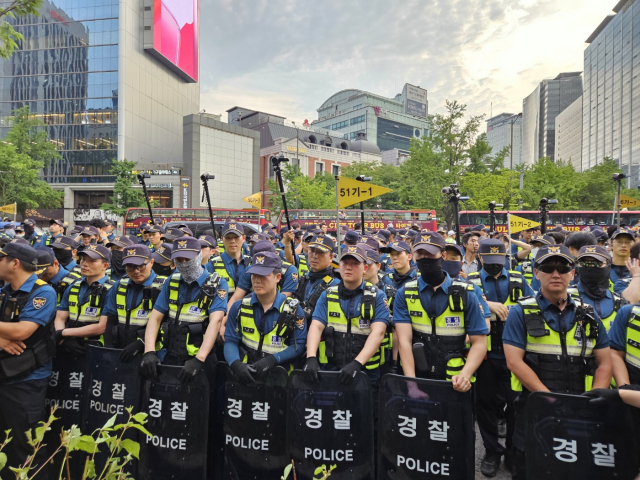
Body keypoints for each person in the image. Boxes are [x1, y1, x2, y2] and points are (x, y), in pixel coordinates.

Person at [503, 245, 612, 480]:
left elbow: (604, 362)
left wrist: (593, 400)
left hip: (580, 410)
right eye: (548, 267)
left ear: (573, 273)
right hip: (535, 409)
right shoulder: (520, 312)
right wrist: (548, 399)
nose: (556, 273)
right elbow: (514, 362)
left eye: (563, 267)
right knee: (529, 467)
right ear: (536, 272)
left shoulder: (589, 313)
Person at [467, 239, 534, 476]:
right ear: (481, 258)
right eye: (490, 262)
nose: (495, 267)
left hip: (515, 353)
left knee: (516, 405)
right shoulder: (471, 282)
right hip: (485, 353)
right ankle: (492, 451)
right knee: (485, 404)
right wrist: (486, 304)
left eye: (500, 262)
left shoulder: (517, 278)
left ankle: (514, 451)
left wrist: (508, 310)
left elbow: (532, 306)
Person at [393, 232, 488, 391]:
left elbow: (479, 342)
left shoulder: (466, 293)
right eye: (420, 253)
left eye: (430, 253)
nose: (424, 258)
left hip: (455, 381)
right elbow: (404, 342)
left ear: (443, 255)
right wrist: (412, 384)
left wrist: (465, 374)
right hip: (419, 378)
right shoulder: (405, 293)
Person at [141, 236, 229, 385]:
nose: (183, 264)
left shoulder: (217, 283)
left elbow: (216, 321)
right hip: (172, 356)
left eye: (187, 259)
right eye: (178, 260)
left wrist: (199, 359)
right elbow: (155, 317)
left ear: (199, 255)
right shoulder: (172, 280)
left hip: (201, 360)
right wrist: (149, 351)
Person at [0, 242, 57, 470]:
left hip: (26, 381)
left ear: (14, 263)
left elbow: (22, 331)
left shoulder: (43, 292)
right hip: (4, 375)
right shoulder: (5, 291)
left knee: (25, 447)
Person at [303, 244, 389, 385]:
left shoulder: (377, 296)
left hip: (365, 372)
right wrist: (311, 357)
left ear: (365, 268)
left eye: (355, 263)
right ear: (339, 265)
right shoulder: (327, 294)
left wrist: (357, 363)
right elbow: (316, 326)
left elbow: (378, 332)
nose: (349, 267)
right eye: (345, 263)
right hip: (330, 369)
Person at [224, 251, 307, 384]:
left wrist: (274, 359)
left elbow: (299, 346)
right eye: (254, 275)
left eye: (263, 275)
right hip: (246, 377)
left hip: (280, 380)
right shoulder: (239, 307)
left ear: (277, 277)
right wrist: (235, 364)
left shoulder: (293, 310)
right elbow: (230, 340)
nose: (257, 280)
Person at [101, 244, 166, 362]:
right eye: (130, 266)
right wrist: (108, 351)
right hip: (121, 351)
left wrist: (141, 343)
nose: (136, 271)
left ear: (151, 262)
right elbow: (111, 321)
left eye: (141, 266)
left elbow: (166, 324)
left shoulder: (163, 286)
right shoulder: (119, 285)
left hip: (152, 355)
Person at [54, 244, 114, 351]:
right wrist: (62, 339)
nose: (84, 264)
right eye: (83, 259)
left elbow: (102, 327)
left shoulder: (111, 289)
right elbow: (60, 318)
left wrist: (63, 333)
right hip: (68, 345)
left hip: (97, 348)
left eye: (92, 261)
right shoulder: (73, 287)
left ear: (105, 266)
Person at [568, 245, 627, 332]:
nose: (590, 267)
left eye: (596, 263)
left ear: (608, 265)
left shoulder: (620, 301)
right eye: (584, 263)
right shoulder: (565, 297)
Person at [291, 235, 340, 325]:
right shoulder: (305, 278)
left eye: (320, 252)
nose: (315, 256)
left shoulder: (336, 283)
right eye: (312, 251)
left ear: (331, 257)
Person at [209, 220, 249, 298]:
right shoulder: (212, 264)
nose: (232, 241)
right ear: (222, 239)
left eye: (236, 237)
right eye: (228, 238)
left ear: (244, 238)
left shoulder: (252, 262)